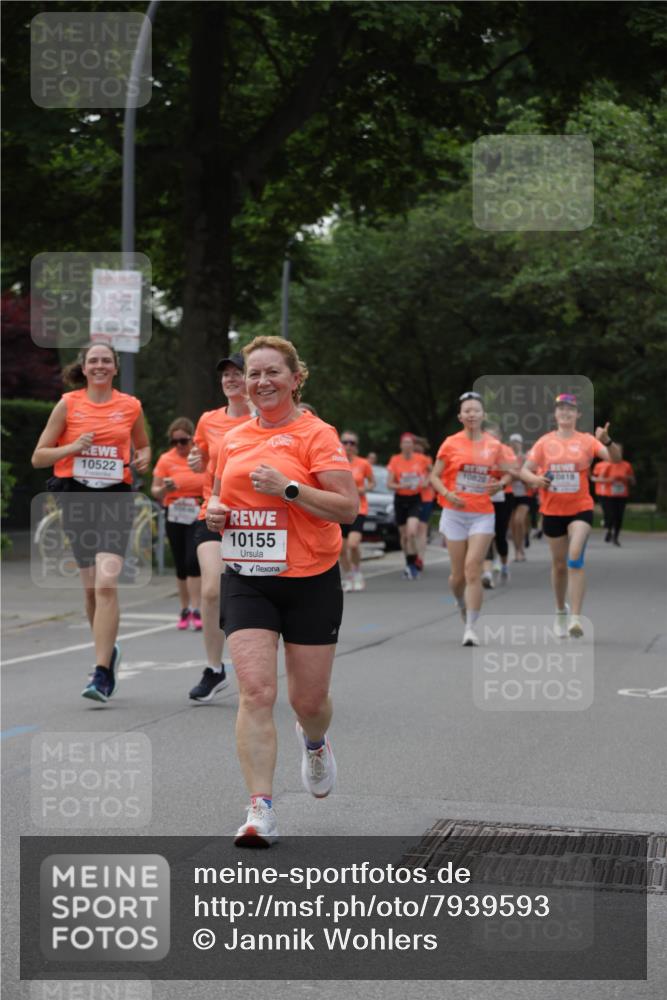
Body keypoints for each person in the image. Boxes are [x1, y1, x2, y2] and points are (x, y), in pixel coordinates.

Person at [206, 335, 358, 846]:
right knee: (255, 691)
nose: (262, 382)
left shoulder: (317, 435)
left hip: (311, 577)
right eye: (253, 374)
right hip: (248, 575)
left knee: (307, 700)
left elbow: (346, 507)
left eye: (273, 372)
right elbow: (217, 495)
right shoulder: (232, 438)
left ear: (296, 379)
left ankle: (314, 742)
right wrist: (215, 513)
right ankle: (260, 811)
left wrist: (289, 489)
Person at [31, 342, 151, 702]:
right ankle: (107, 651)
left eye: (106, 361)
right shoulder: (69, 403)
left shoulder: (130, 406)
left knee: (107, 584)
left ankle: (100, 674)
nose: (100, 365)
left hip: (115, 498)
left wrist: (143, 458)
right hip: (76, 498)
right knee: (90, 590)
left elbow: (143, 446)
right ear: (83, 368)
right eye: (93, 361)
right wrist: (71, 448)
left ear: (115, 367)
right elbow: (39, 456)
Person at [520, 393, 620, 637]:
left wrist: (607, 441)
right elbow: (524, 470)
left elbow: (616, 459)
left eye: (570, 409)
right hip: (552, 510)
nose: (565, 413)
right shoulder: (544, 442)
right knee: (559, 565)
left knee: (574, 557)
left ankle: (576, 617)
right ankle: (560, 611)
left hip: (580, 508)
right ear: (555, 414)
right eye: (561, 409)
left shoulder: (587, 441)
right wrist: (535, 479)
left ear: (578, 414)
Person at [186, 353, 253, 703]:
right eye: (226, 374)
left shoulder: (264, 419)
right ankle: (214, 668)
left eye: (238, 373)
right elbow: (201, 460)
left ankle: (257, 662)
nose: (231, 379)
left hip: (257, 520)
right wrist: (196, 460)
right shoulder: (208, 421)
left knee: (256, 593)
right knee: (212, 590)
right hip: (213, 515)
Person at [430, 392, 513, 646]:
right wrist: (446, 493)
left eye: (476, 410)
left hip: (482, 514)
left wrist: (500, 484)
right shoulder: (450, 443)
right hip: (454, 513)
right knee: (457, 576)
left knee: (472, 568)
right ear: (460, 416)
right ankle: (459, 602)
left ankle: (470, 627)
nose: (472, 414)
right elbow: (434, 476)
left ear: (483, 415)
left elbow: (508, 474)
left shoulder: (494, 445)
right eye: (467, 411)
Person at [151, 418, 206, 630]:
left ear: (192, 438)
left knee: (194, 560)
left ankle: (196, 608)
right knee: (181, 563)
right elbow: (155, 490)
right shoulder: (166, 459)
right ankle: (184, 608)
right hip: (174, 511)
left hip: (196, 510)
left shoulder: (200, 457)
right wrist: (166, 489)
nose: (179, 446)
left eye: (183, 441)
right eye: (175, 442)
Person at [387, 433, 431, 580]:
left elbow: (433, 472)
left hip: (415, 499)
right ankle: (409, 563)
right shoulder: (395, 460)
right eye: (404, 443)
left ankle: (413, 563)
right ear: (401, 445)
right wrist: (401, 485)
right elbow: (389, 484)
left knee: (412, 531)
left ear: (413, 445)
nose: (407, 445)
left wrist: (426, 481)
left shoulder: (422, 459)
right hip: (400, 499)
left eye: (409, 443)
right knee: (404, 536)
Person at [480, 424, 516, 588]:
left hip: (504, 495)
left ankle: (504, 565)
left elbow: (514, 472)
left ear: (500, 437)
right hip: (483, 496)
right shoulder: (479, 451)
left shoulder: (506, 451)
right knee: (486, 532)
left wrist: (500, 480)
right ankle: (487, 573)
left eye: (494, 436)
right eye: (488, 436)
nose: (491, 440)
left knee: (500, 534)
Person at [338, 431, 375, 591]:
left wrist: (362, 489)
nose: (348, 446)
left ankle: (357, 571)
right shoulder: (336, 461)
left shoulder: (363, 463)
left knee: (353, 545)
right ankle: (348, 576)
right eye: (345, 442)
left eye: (352, 443)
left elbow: (372, 483)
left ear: (356, 446)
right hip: (339, 508)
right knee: (340, 549)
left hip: (359, 508)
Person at [592, 445, 635, 546]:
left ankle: (615, 537)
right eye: (614, 451)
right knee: (610, 515)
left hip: (621, 495)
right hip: (606, 494)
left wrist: (627, 478)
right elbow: (594, 479)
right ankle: (608, 528)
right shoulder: (603, 465)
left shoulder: (626, 465)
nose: (617, 453)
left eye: (619, 451)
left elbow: (633, 481)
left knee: (619, 516)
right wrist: (609, 480)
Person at [508, 432, 533, 562]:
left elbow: (530, 475)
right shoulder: (506, 457)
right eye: (513, 442)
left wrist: (519, 476)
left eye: (517, 442)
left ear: (521, 444)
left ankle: (521, 549)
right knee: (512, 525)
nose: (515, 444)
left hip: (524, 494)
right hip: (511, 494)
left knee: (519, 520)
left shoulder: (526, 457)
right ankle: (517, 550)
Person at [413, 437, 435, 572]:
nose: (417, 449)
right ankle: (413, 554)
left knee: (421, 528)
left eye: (420, 447)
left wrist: (427, 480)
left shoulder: (426, 460)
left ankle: (420, 557)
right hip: (411, 498)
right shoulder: (407, 459)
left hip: (425, 497)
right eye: (415, 446)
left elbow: (434, 473)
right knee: (412, 529)